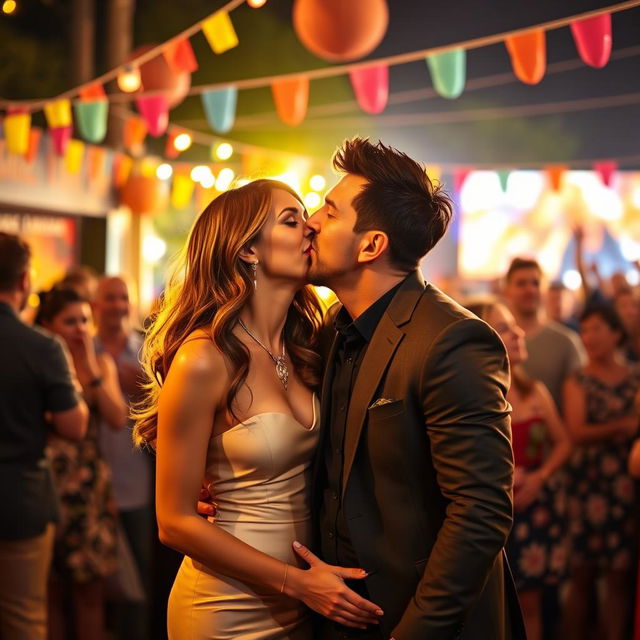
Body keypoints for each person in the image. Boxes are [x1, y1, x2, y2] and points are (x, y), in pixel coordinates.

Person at [133, 179, 383, 640]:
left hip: (306, 602)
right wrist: (297, 583)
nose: (311, 226)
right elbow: (174, 522)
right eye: (291, 219)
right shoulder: (205, 357)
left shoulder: (308, 346)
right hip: (226, 605)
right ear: (247, 249)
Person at [297, 138, 526, 639]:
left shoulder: (452, 339)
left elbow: (481, 510)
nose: (310, 221)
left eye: (329, 213)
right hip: (333, 612)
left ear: (371, 245)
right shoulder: (334, 326)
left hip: (416, 619)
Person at [466, 300, 571, 640]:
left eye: (515, 326)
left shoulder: (533, 389)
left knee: (531, 607)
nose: (518, 333)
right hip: (493, 512)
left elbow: (564, 442)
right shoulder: (472, 396)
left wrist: (540, 477)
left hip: (535, 509)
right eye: (505, 328)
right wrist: (505, 478)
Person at [0, 232, 88, 640]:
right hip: (20, 498)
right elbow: (74, 427)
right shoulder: (42, 348)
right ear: (22, 283)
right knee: (23, 618)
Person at [37, 286, 127, 640]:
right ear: (48, 325)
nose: (79, 328)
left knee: (91, 592)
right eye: (69, 321)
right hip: (47, 484)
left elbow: (118, 417)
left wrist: (90, 367)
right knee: (51, 592)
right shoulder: (40, 364)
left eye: (84, 320)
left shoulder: (100, 363)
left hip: (89, 489)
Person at [562, 304, 640, 640]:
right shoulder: (577, 378)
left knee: (620, 576)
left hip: (624, 485)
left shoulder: (636, 375)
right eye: (585, 329)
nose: (589, 337)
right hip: (586, 484)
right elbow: (577, 431)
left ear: (616, 333)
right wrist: (624, 425)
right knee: (582, 574)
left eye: (597, 328)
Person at [93, 276, 154, 640]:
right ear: (96, 305)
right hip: (91, 487)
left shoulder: (146, 352)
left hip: (137, 485)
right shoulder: (83, 350)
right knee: (94, 583)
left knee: (139, 582)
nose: (118, 305)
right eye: (110, 298)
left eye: (123, 298)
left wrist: (144, 391)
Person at [503, 257, 585, 414]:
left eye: (536, 283)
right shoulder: (495, 341)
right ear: (507, 291)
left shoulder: (566, 341)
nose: (530, 290)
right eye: (521, 284)